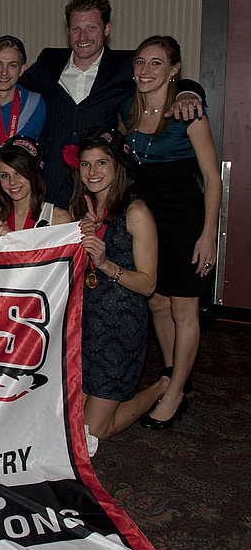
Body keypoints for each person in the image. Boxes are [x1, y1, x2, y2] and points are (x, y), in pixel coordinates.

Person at [119, 36, 222, 430]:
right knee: (157, 302)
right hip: (147, 220)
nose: (145, 71)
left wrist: (209, 234)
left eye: (156, 63)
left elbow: (212, 179)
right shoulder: (127, 110)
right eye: (140, 62)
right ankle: (173, 371)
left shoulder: (189, 113)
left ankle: (175, 394)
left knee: (183, 308)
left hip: (185, 221)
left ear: (174, 69)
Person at [19, 0, 204, 209]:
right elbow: (6, 83)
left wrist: (188, 93)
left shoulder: (125, 66)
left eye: (92, 27)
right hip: (50, 183)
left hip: (99, 186)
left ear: (106, 29)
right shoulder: (49, 61)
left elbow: (164, 77)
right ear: (68, 30)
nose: (83, 36)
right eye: (76, 28)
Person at [71, 128, 168, 442]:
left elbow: (149, 284)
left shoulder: (136, 212)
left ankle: (161, 388)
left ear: (118, 166)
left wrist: (106, 265)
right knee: (70, 425)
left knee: (92, 432)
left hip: (120, 330)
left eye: (102, 163)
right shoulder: (82, 210)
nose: (92, 172)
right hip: (84, 326)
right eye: (86, 164)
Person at [0, 136, 72, 234]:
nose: (12, 182)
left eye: (18, 173)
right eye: (5, 175)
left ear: (34, 174)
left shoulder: (58, 219)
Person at [0, 35, 46, 175]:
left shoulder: (36, 104)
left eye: (12, 65)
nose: (4, 72)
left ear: (22, 70)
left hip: (18, 183)